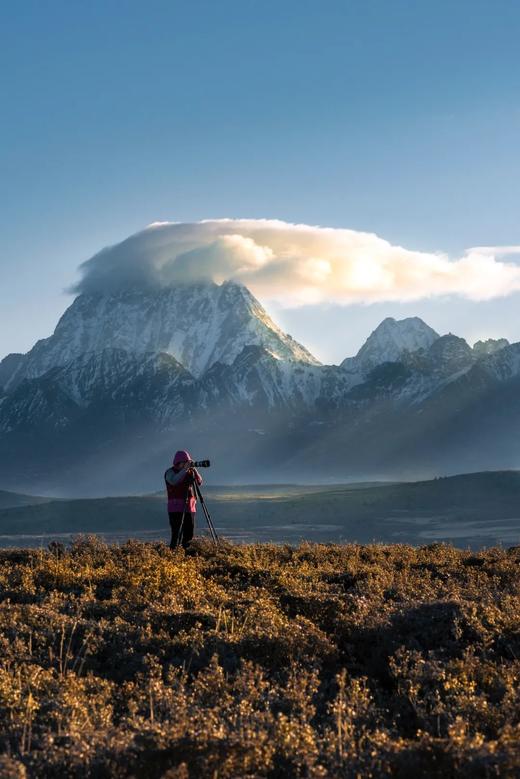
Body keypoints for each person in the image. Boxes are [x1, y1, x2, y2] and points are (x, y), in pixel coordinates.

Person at [164, 450, 203, 549]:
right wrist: (184, 470)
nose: (187, 464)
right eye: (185, 462)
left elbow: (199, 482)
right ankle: (173, 552)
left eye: (188, 462)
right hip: (176, 509)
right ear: (178, 462)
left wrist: (194, 470)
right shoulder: (170, 472)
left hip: (189, 508)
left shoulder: (189, 471)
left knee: (189, 533)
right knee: (176, 533)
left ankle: (187, 552)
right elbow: (174, 481)